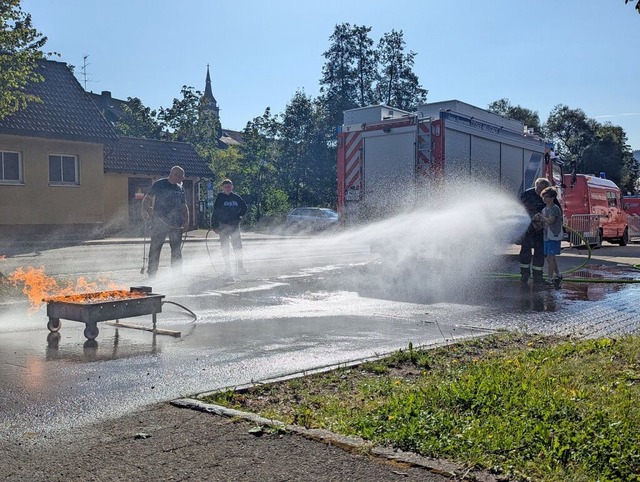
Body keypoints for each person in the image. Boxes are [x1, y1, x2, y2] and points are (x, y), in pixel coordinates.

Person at [141, 166, 189, 277]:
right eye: (182, 176)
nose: (183, 179)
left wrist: (187, 220)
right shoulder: (159, 184)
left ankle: (177, 273)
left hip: (176, 223)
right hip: (159, 222)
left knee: (176, 249)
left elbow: (184, 205)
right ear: (175, 174)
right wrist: (144, 211)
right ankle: (152, 272)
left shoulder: (180, 188)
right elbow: (147, 199)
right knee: (155, 247)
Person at [211, 179, 248, 279]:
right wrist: (214, 225)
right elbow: (215, 212)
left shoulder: (236, 197)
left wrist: (239, 216)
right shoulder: (220, 198)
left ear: (232, 187)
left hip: (234, 226)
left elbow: (244, 207)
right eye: (225, 186)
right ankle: (228, 269)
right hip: (223, 227)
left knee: (238, 247)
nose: (227, 188)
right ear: (222, 188)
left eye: (229, 186)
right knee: (225, 248)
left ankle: (240, 268)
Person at [518, 177, 551, 286]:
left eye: (542, 189)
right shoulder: (527, 194)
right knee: (525, 252)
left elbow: (556, 210)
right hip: (528, 229)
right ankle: (524, 275)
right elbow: (519, 208)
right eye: (538, 187)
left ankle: (538, 277)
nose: (539, 191)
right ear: (535, 186)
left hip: (541, 230)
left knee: (540, 253)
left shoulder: (550, 195)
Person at [538, 186, 564, 288]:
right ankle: (558, 275)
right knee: (550, 259)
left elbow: (550, 221)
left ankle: (550, 279)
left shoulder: (555, 209)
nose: (544, 199)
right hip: (547, 236)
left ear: (552, 198)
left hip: (554, 236)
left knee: (551, 258)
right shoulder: (544, 210)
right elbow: (544, 222)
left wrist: (541, 217)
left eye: (547, 197)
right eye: (543, 196)